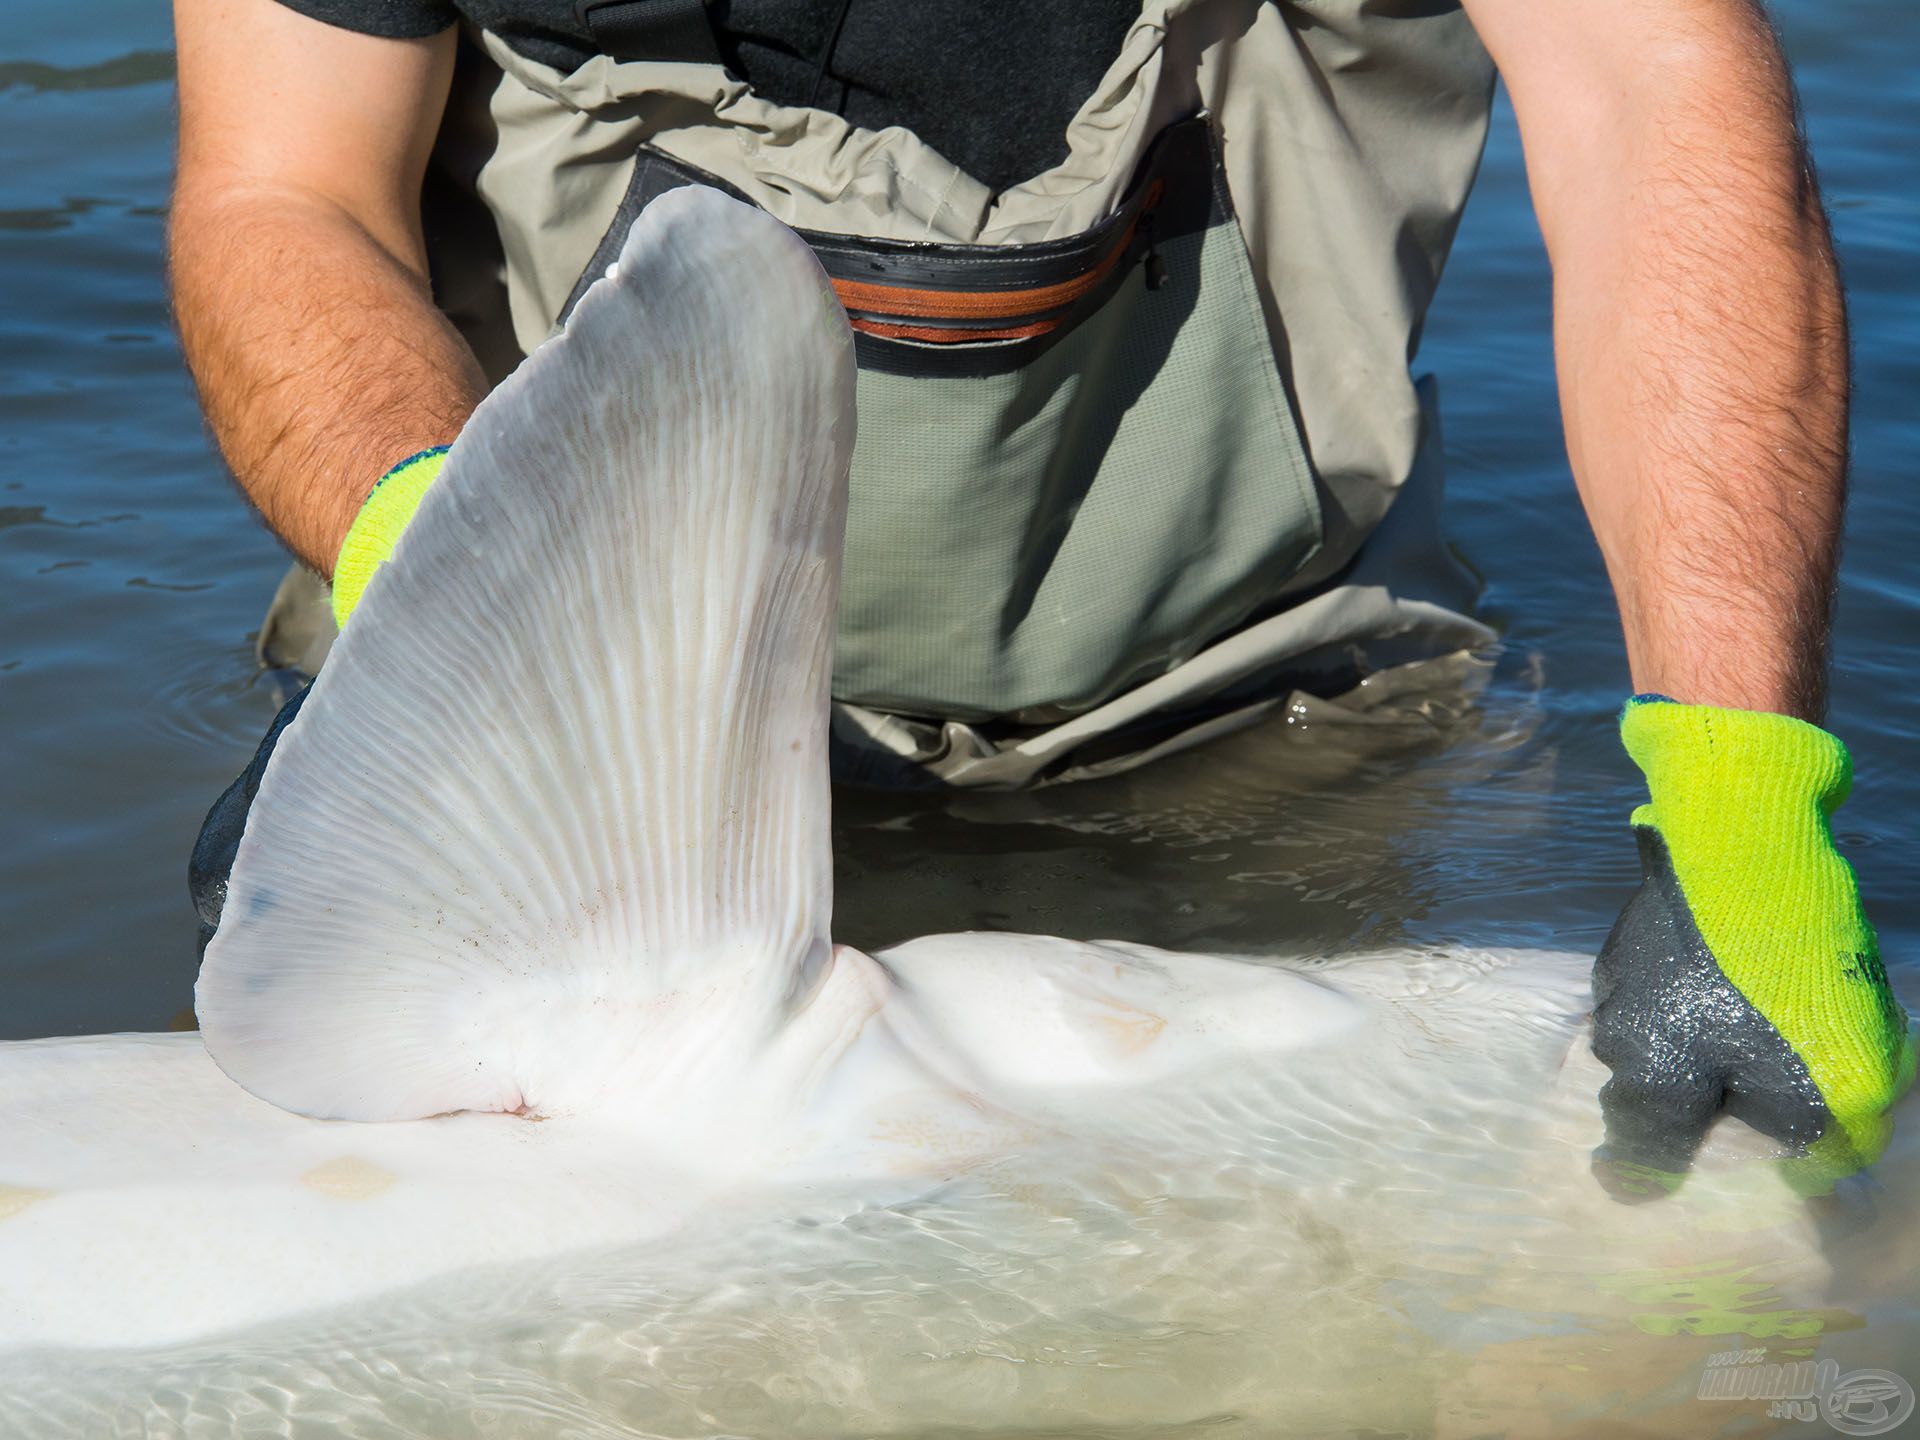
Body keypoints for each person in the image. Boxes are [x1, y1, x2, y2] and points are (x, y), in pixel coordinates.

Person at [170, 0, 1910, 1194]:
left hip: (1269, 694)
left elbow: (1649, 72)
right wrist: (446, 633)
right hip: (567, 733)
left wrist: (1742, 791)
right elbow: (284, 187)